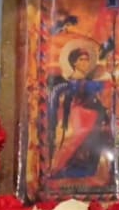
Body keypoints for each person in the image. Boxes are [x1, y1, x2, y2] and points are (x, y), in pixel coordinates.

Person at [44, 46, 111, 182]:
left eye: (87, 60)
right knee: (71, 144)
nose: (85, 63)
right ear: (74, 62)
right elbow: (57, 103)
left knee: (92, 152)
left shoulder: (94, 83)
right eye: (82, 59)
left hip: (94, 122)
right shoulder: (66, 83)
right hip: (76, 121)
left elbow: (103, 96)